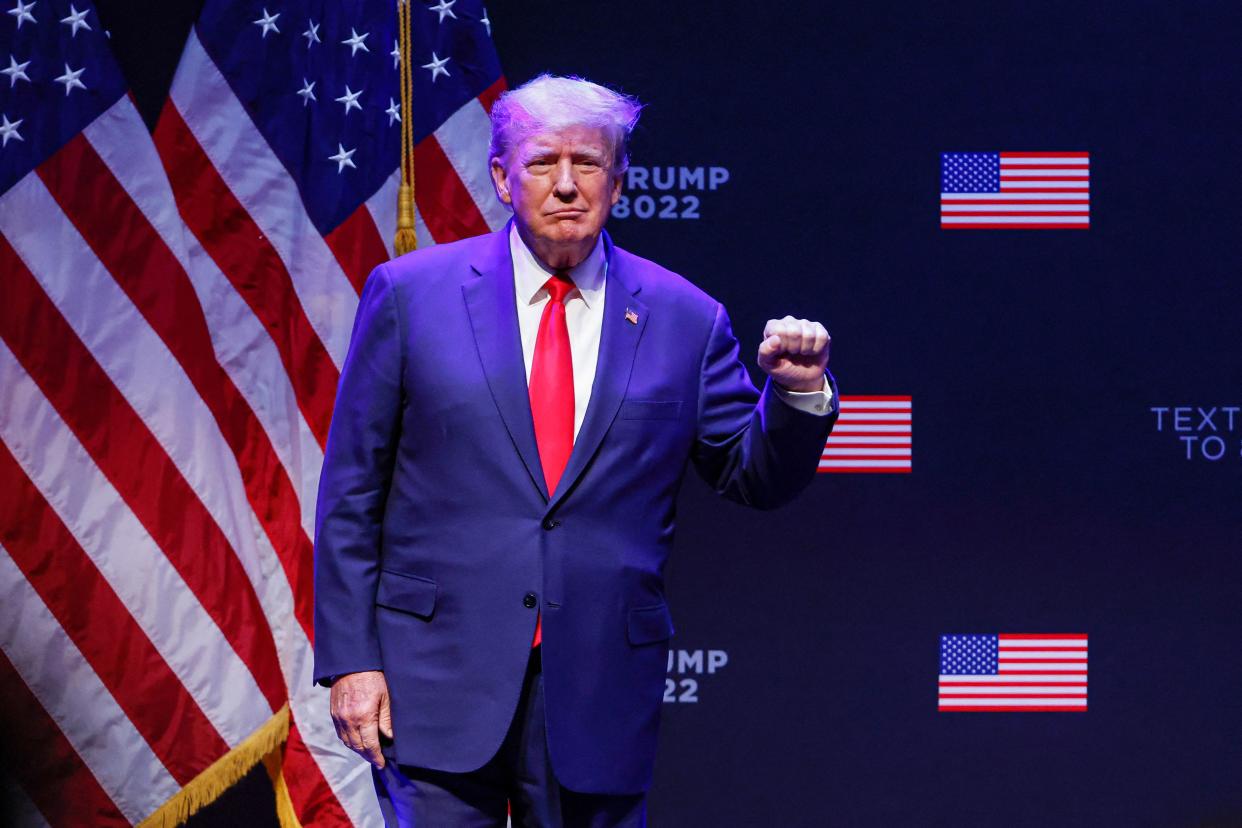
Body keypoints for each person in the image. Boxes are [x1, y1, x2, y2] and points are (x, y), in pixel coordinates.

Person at [313, 74, 839, 827]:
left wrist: (796, 394)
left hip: (597, 685)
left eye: (587, 164)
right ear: (502, 177)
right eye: (541, 162)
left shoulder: (686, 318)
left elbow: (751, 474)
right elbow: (351, 495)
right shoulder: (409, 296)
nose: (565, 184)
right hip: (433, 679)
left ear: (618, 182)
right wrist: (352, 661)